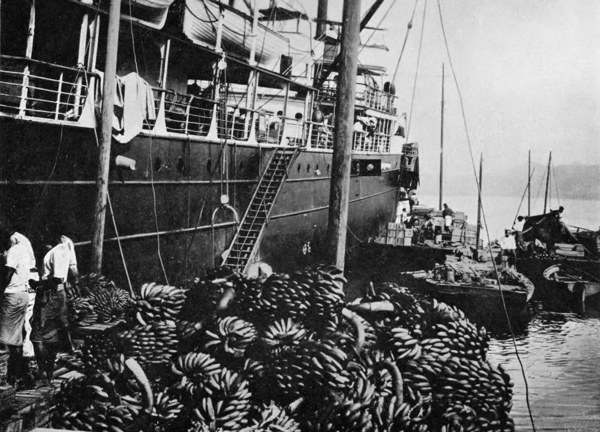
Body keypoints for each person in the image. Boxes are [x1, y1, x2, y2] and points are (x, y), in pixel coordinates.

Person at [31, 231, 78, 385]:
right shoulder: (64, 248)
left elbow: (56, 279)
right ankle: (49, 373)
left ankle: (44, 374)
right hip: (57, 292)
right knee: (51, 334)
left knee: (38, 336)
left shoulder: (57, 252)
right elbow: (69, 273)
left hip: (49, 293)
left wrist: (37, 284)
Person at [0, 229, 35, 388]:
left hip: (13, 295)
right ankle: (21, 376)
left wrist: (1, 289)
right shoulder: (23, 249)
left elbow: (9, 271)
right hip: (23, 294)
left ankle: (8, 380)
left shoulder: (14, 250)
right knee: (17, 339)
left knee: (5, 340)